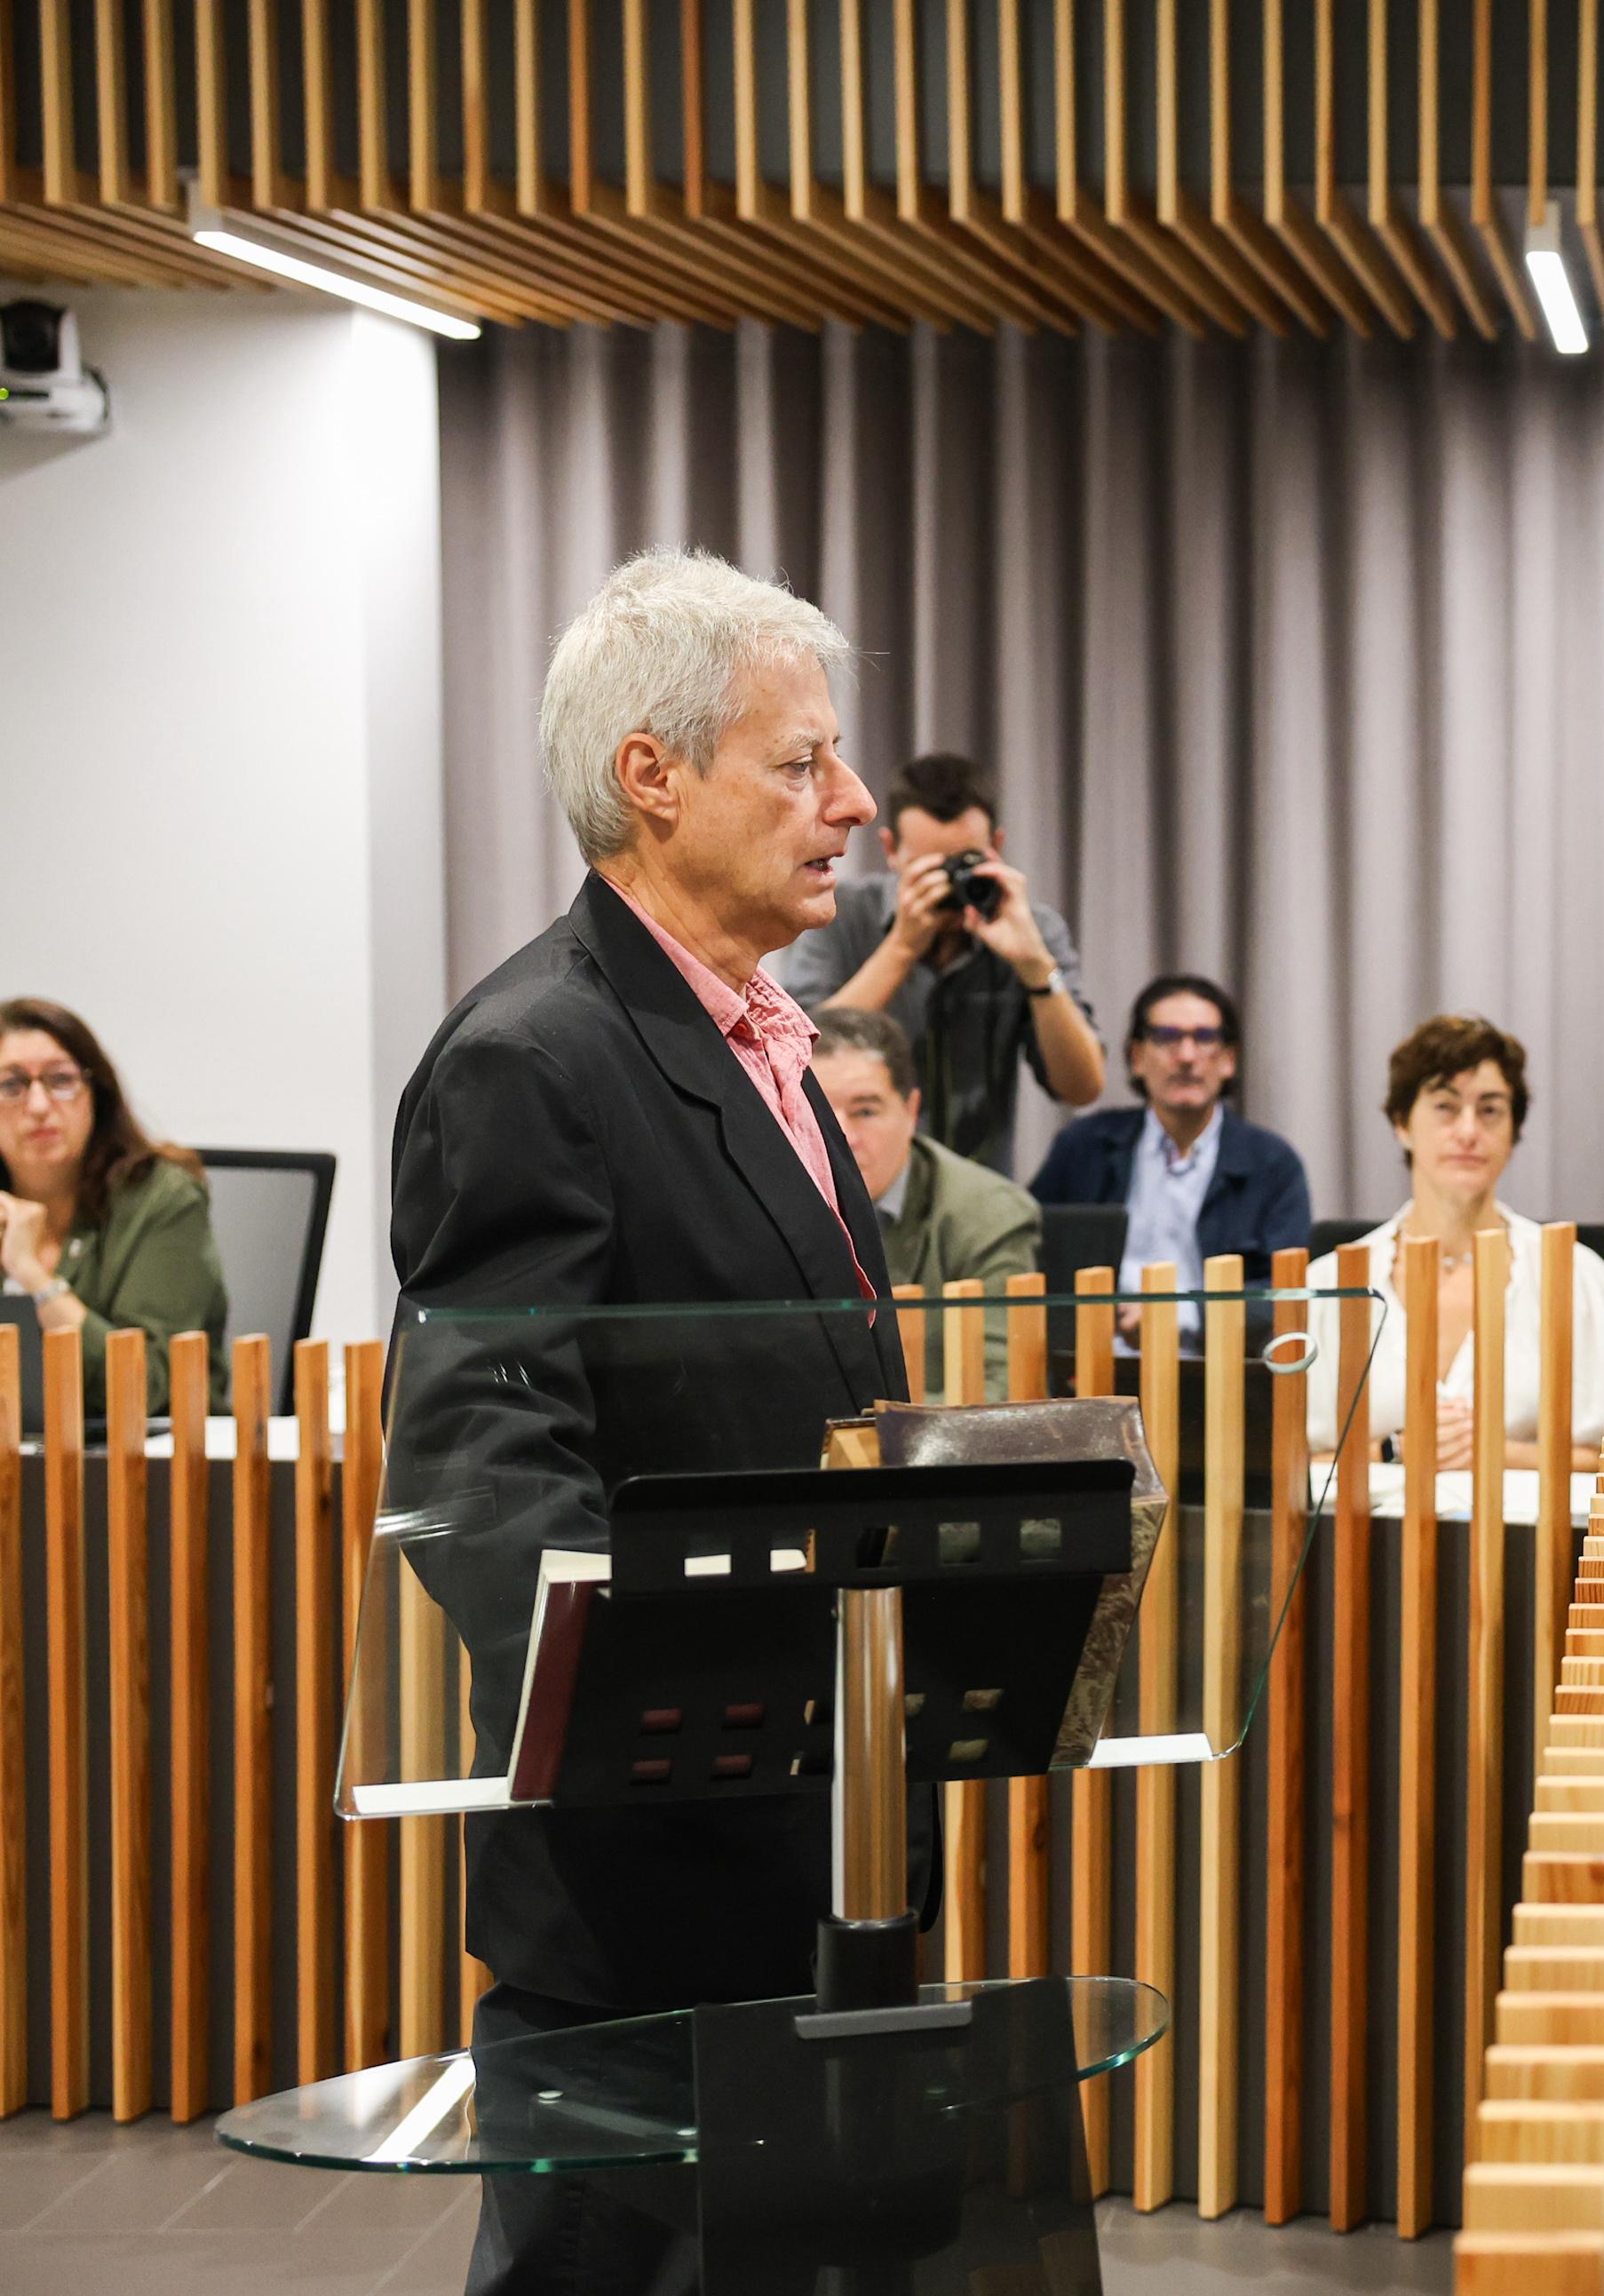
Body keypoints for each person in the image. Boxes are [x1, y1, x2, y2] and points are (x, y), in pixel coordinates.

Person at [390, 548, 908, 2296]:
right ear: (652, 775)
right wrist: (669, 1699)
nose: (852, 801)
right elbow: (478, 1453)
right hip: (643, 1875)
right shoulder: (531, 1053)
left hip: (818, 1835)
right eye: (801, 761)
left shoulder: (774, 1037)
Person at [774, 751, 1106, 1172]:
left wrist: (1035, 965)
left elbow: (1082, 1087)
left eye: (963, 863)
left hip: (979, 1194)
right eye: (929, 867)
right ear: (891, 850)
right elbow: (799, 1062)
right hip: (853, 1181)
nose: (948, 884)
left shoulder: (1031, 927)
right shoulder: (842, 915)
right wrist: (901, 948)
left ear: (996, 848)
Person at [1306, 1013, 1604, 1467]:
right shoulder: (1327, 1285)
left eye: (1490, 1110)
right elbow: (1291, 1467)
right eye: (1445, 1107)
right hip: (1368, 1515)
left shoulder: (1578, 1277)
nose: (1468, 1131)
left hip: (1529, 1514)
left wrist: (1497, 1454)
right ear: (1402, 1124)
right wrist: (1394, 1451)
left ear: (1513, 1132)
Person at [1029, 974, 1314, 1329]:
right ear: (1137, 1057)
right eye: (1166, 1037)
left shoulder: (1272, 1163)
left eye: (1205, 1038)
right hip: (1092, 1352)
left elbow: (1288, 1295)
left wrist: (1178, 1315)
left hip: (1218, 1357)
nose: (1186, 1057)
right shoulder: (1085, 1145)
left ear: (1229, 1060)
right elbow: (1028, 1251)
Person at [0, 997, 229, 1418]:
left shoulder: (160, 1198)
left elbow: (150, 1387)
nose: (38, 1106)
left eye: (60, 1079)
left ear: (96, 1093)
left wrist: (32, 1276)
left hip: (157, 1452)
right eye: (11, 1085)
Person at [812, 1003, 1038, 1394]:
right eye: (819, 1111)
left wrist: (865, 1422)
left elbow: (1004, 1390)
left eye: (865, 1111)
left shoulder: (987, 1215)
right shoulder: (763, 1204)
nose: (842, 1137)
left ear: (911, 1111)